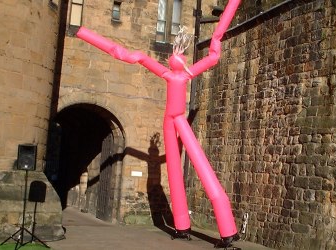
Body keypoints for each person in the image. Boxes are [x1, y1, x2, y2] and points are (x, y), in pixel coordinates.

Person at [76, 0, 240, 246]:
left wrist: (229, 11)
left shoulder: (186, 73)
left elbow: (214, 53)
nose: (176, 55)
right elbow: (131, 55)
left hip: (178, 119)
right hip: (168, 119)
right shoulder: (171, 73)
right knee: (173, 169)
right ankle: (182, 225)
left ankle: (227, 230)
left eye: (179, 53)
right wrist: (85, 34)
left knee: (201, 166)